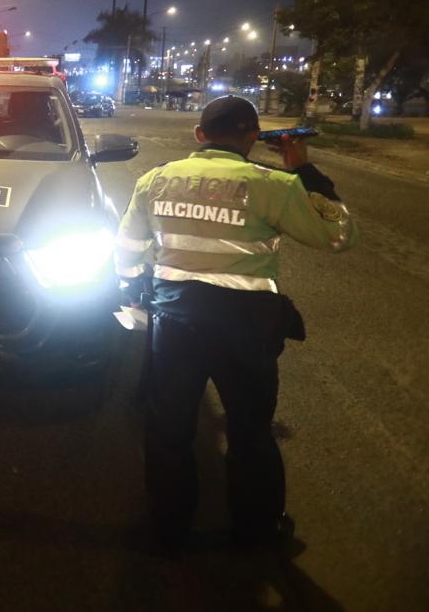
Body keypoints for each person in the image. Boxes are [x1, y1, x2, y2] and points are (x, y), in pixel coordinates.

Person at [115, 95, 356, 551]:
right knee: (249, 431)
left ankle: (169, 530)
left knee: (169, 428)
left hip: (175, 320)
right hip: (246, 328)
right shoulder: (275, 185)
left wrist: (133, 290)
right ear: (251, 138)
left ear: (200, 135)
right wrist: (302, 169)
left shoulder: (155, 180)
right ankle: (256, 532)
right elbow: (338, 234)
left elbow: (127, 251)